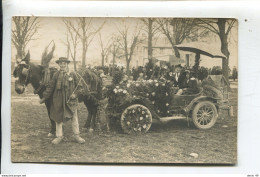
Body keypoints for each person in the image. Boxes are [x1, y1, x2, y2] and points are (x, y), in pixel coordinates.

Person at [39, 57, 85, 145]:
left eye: (64, 63)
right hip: (58, 100)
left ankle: (77, 136)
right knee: (58, 118)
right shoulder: (56, 75)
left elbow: (80, 87)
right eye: (61, 63)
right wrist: (44, 97)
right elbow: (51, 87)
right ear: (59, 64)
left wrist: (75, 94)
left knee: (74, 117)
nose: (62, 65)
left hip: (71, 101)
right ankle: (59, 136)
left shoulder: (73, 74)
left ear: (67, 64)